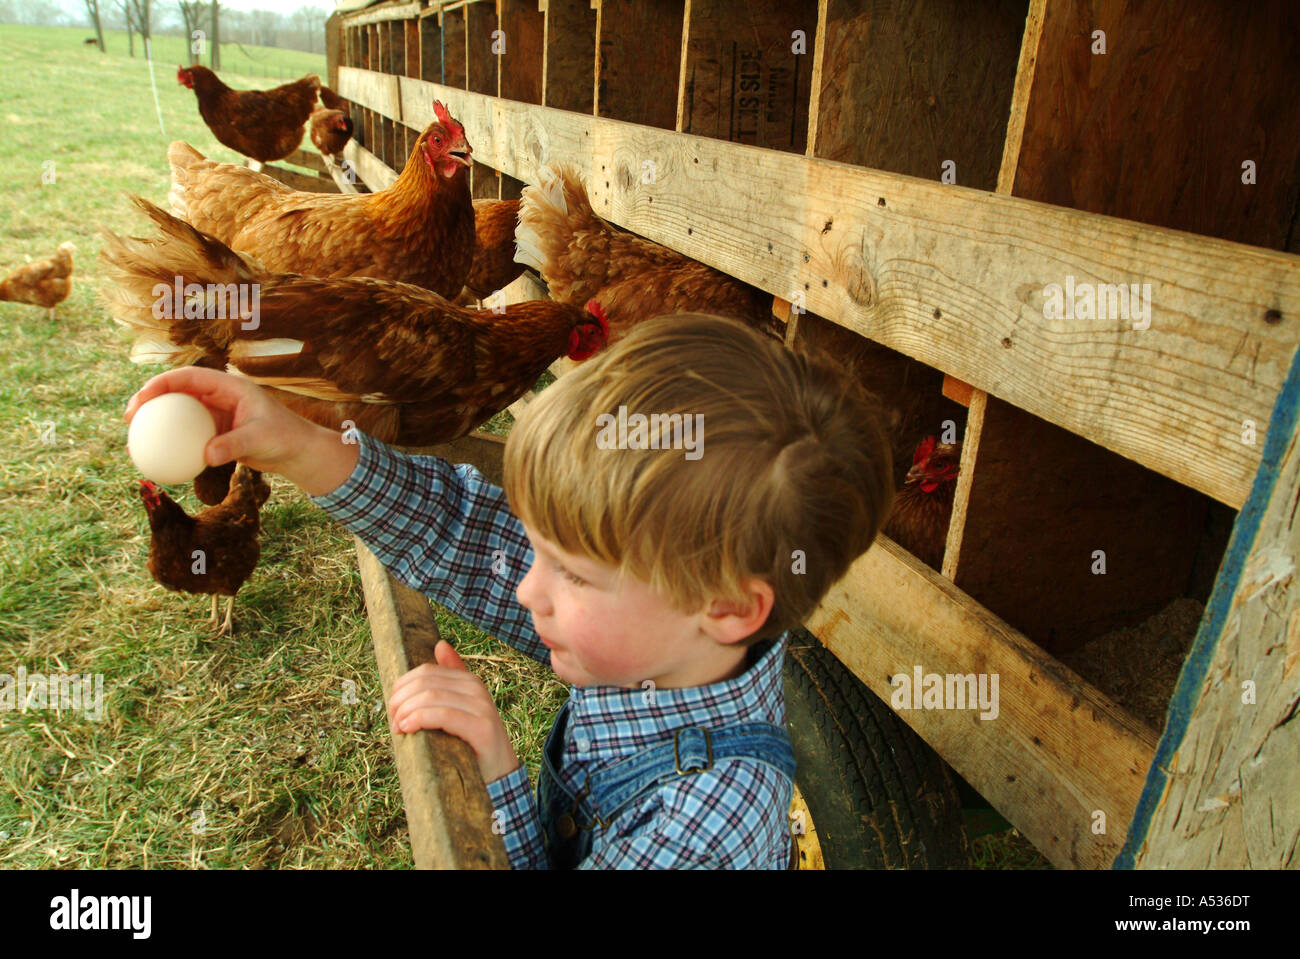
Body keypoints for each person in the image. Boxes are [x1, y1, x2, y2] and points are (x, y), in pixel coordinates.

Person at [125, 313, 894, 868]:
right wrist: (297, 442)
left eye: (573, 573)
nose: (529, 587)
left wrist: (499, 775)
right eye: (540, 550)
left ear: (728, 606)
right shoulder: (674, 642)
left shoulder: (707, 828)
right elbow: (466, 531)